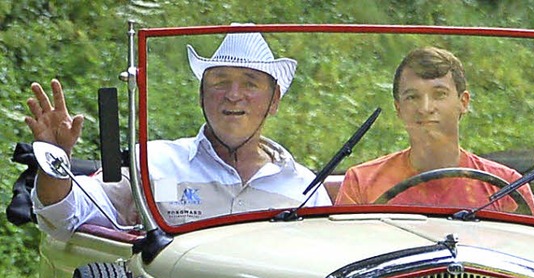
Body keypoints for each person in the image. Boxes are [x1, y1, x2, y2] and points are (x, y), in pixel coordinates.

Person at [26, 28, 330, 239]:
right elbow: (64, 218)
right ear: (201, 95)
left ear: (273, 100)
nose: (233, 95)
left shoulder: (304, 188)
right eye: (220, 81)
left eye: (250, 83)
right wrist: (54, 158)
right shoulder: (154, 164)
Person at [335, 46, 534, 214]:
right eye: (412, 97)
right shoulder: (362, 183)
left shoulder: (506, 186)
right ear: (399, 109)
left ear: (463, 102)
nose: (425, 108)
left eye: (439, 95)